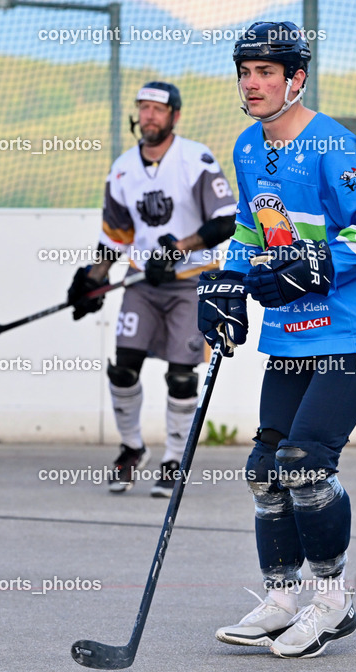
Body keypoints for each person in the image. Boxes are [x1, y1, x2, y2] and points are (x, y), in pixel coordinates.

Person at [198, 22, 356, 658]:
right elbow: (249, 228)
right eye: (245, 71)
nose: (252, 83)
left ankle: (332, 602)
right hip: (292, 330)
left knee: (306, 462)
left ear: (297, 78)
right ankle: (283, 597)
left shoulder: (333, 146)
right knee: (265, 470)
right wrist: (229, 282)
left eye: (266, 72)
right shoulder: (245, 146)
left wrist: (320, 263)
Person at [68, 81, 237, 497]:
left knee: (182, 376)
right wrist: (93, 278)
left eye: (157, 109)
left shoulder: (195, 159)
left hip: (191, 283)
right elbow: (116, 236)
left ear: (174, 116)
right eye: (143, 108)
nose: (148, 116)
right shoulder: (123, 168)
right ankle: (131, 448)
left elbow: (225, 220)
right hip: (142, 283)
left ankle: (174, 460)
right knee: (123, 367)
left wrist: (177, 251)